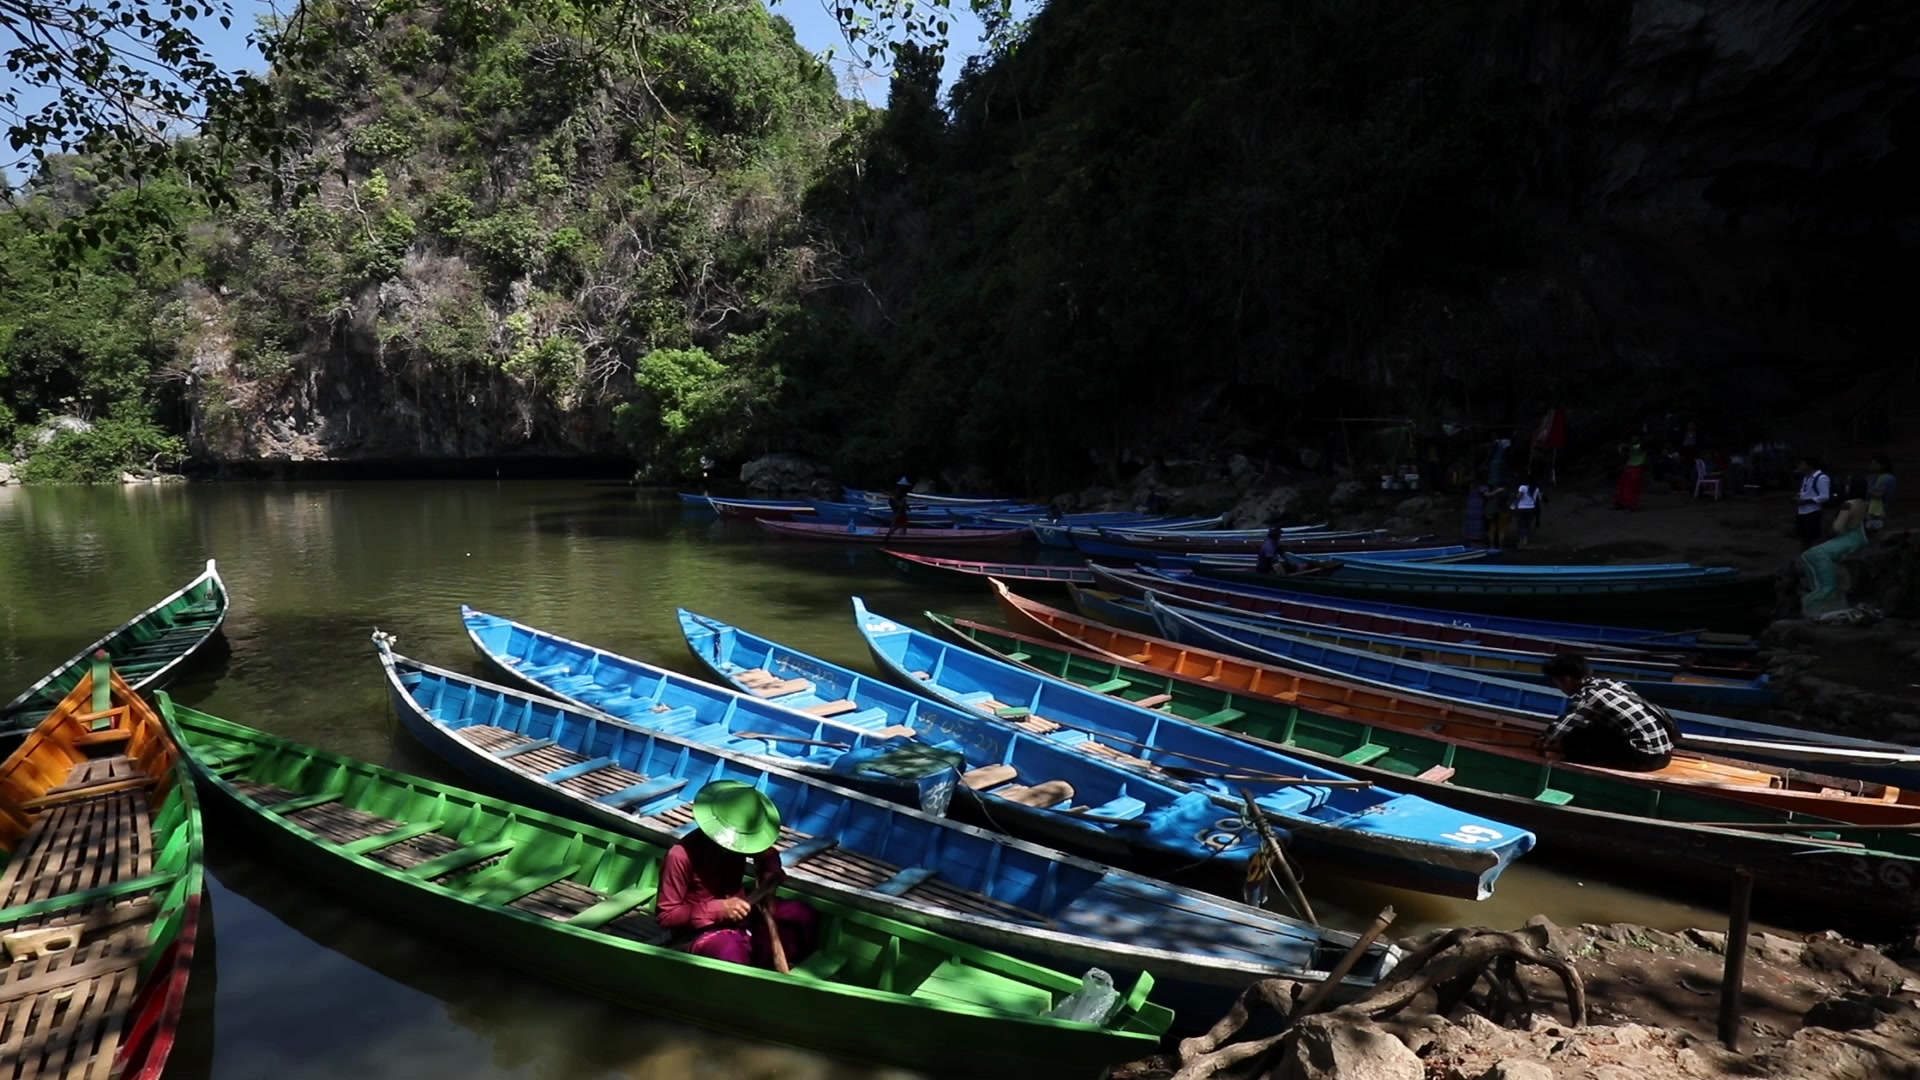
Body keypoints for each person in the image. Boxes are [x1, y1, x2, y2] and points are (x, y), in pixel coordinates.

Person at [657, 780, 818, 970]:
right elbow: (666, 916)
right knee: (728, 951)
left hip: (744, 912)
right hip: (699, 931)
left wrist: (770, 872)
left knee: (801, 915)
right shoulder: (680, 856)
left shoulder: (742, 841)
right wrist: (719, 909)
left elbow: (768, 854)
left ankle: (776, 967)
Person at [1536, 655, 1678, 772]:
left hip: (1645, 758)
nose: (1559, 687)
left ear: (1566, 679)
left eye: (1556, 682)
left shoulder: (1587, 697)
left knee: (1574, 739)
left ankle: (1568, 771)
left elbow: (1559, 729)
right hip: (1665, 754)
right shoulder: (1612, 684)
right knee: (1587, 729)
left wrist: (1541, 743)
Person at [1793, 457, 1832, 550]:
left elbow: (1824, 496)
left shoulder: (1821, 478)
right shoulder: (1806, 477)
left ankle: (1808, 558)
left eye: (1802, 464)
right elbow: (1806, 491)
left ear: (1810, 466)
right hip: (1802, 512)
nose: (1800, 466)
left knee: (1809, 539)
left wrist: (1805, 501)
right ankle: (1804, 557)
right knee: (1802, 538)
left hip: (1812, 512)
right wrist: (1798, 497)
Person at [1613, 438, 1647, 511]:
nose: (1634, 439)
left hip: (1636, 469)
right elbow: (1625, 452)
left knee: (1632, 488)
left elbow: (1635, 448)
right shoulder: (1633, 448)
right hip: (1629, 468)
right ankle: (1620, 503)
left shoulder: (1640, 446)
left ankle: (1630, 506)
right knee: (1622, 486)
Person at [1867, 455, 1895, 530]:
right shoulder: (1873, 478)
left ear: (1883, 465)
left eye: (1875, 464)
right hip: (1868, 511)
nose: (1872, 466)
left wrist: (1864, 488)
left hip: (1879, 512)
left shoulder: (1887, 478)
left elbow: (1879, 495)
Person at [1511, 477, 1541, 547]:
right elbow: (1539, 498)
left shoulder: (1523, 487)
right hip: (1531, 508)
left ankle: (1520, 541)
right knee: (1527, 525)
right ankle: (1525, 541)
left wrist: (1513, 495)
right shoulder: (1536, 488)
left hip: (1521, 508)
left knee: (1520, 525)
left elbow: (1519, 496)